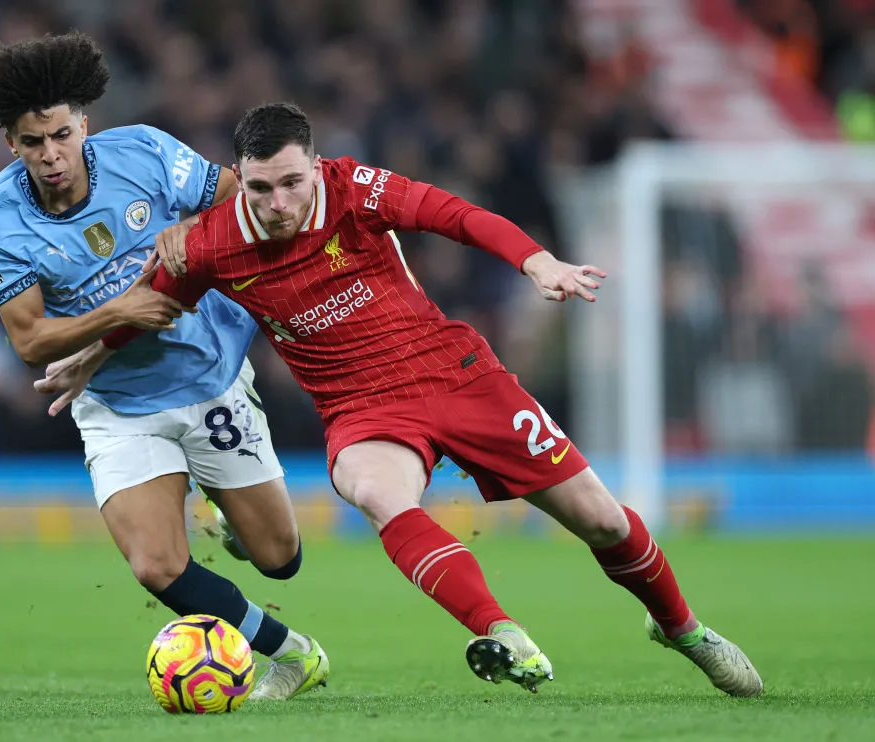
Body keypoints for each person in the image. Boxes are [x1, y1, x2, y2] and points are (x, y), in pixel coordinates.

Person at [46, 102, 763, 698]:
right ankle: (499, 629)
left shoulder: (356, 188)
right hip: (361, 409)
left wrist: (535, 261)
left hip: (456, 374)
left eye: (291, 183)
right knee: (375, 492)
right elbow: (155, 306)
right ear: (245, 181)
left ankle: (680, 628)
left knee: (601, 520)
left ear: (313, 164)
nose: (278, 204)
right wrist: (89, 356)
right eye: (260, 189)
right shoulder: (210, 243)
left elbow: (455, 215)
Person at [0, 35, 328, 700]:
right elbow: (31, 341)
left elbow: (234, 198)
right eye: (31, 142)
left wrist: (191, 234)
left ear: (84, 125)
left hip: (212, 374)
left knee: (280, 558)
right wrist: (116, 312)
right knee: (156, 564)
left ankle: (220, 505)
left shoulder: (143, 152)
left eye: (61, 135)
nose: (50, 155)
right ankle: (293, 654)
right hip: (116, 403)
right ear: (10, 144)